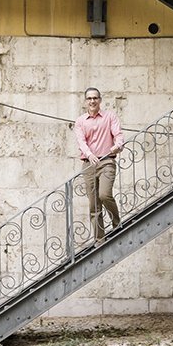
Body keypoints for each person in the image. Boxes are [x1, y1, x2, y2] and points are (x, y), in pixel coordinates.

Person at [74, 87, 123, 240]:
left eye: (95, 98)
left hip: (106, 161)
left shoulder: (110, 116)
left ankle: (117, 223)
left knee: (104, 194)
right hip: (89, 165)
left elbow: (118, 134)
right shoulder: (80, 121)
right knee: (94, 205)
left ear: (100, 100)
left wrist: (118, 145)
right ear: (85, 101)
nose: (92, 101)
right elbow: (81, 141)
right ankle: (99, 239)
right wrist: (89, 154)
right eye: (89, 98)